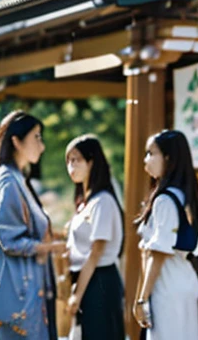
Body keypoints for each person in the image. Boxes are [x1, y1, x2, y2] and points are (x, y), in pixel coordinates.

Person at [0, 110, 65, 340]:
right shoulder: (8, 182)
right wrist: (49, 248)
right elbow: (10, 241)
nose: (41, 146)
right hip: (17, 295)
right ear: (16, 142)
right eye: (37, 137)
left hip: (19, 292)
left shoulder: (13, 178)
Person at [134, 129, 198, 339]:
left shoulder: (165, 201)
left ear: (168, 158)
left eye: (151, 153)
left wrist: (142, 298)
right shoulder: (186, 196)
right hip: (184, 279)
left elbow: (158, 253)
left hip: (166, 285)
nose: (146, 160)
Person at [65, 133, 125, 340]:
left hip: (100, 281)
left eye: (77, 160)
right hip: (87, 280)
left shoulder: (103, 202)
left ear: (92, 162)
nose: (71, 166)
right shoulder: (86, 202)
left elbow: (95, 253)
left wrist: (77, 296)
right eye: (69, 161)